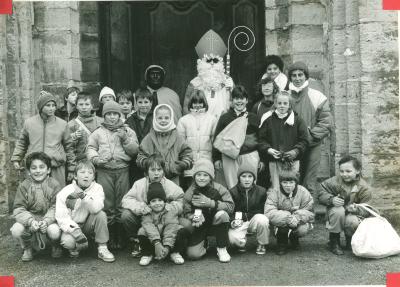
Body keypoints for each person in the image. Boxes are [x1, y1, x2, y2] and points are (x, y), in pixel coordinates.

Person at [87, 101, 139, 249]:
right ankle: (109, 236)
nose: (112, 117)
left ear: (119, 115)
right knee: (108, 203)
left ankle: (121, 236)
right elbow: (90, 148)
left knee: (122, 202)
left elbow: (135, 150)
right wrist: (96, 159)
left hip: (123, 170)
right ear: (104, 116)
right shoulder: (98, 132)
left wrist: (125, 139)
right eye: (108, 114)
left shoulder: (128, 131)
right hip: (105, 171)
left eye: (115, 114)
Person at [121, 154, 185, 258]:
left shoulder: (170, 185)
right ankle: (137, 241)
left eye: (159, 170)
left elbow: (181, 200)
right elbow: (126, 200)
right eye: (153, 170)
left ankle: (171, 247)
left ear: (163, 171)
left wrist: (171, 206)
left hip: (165, 220)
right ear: (146, 172)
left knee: (184, 224)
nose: (156, 173)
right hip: (146, 220)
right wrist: (140, 207)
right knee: (126, 215)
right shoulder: (139, 184)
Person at [11, 90, 76, 187]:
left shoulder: (62, 124)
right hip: (35, 168)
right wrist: (16, 159)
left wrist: (71, 168)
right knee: (34, 196)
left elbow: (69, 147)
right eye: (48, 105)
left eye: (53, 105)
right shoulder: (29, 123)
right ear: (41, 107)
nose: (51, 108)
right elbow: (22, 143)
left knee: (56, 196)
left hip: (56, 168)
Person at [55, 160, 115, 262]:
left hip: (87, 224)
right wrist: (75, 231)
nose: (86, 176)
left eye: (90, 173)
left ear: (93, 177)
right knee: (68, 242)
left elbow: (96, 208)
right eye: (82, 172)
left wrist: (84, 197)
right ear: (75, 176)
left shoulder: (98, 188)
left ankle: (102, 248)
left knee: (101, 214)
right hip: (73, 226)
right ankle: (75, 247)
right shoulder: (66, 191)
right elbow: (61, 216)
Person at [287, 61, 331, 197]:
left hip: (312, 145)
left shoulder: (317, 96)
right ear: (290, 78)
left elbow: (326, 122)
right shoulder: (284, 96)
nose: (297, 78)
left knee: (309, 180)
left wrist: (309, 138)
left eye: (300, 75)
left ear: (306, 76)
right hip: (291, 146)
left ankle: (308, 214)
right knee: (291, 179)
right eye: (294, 75)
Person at [10, 152, 62, 262]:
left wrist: (47, 221)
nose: (38, 170)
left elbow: (56, 207)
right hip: (31, 218)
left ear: (48, 170)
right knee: (16, 229)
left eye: (42, 167)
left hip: (48, 218)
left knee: (54, 231)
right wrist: (30, 221)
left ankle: (55, 245)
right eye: (34, 168)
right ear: (29, 171)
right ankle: (27, 248)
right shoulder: (24, 185)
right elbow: (19, 208)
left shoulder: (54, 184)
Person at [318, 155, 372, 255]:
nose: (344, 174)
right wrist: (331, 199)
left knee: (352, 221)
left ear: (357, 171)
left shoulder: (364, 187)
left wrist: (356, 209)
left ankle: (350, 240)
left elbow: (367, 208)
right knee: (338, 211)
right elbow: (321, 192)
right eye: (341, 171)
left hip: (352, 215)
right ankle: (334, 241)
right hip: (335, 213)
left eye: (348, 171)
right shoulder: (334, 181)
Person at [183, 159, 234, 263]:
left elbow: (230, 207)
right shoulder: (190, 192)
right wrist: (192, 216)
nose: (201, 178)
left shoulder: (219, 188)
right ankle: (204, 243)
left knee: (222, 214)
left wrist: (211, 203)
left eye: (205, 175)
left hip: (216, 222)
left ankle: (222, 248)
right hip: (200, 225)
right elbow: (185, 211)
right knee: (193, 255)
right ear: (194, 176)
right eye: (199, 175)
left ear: (211, 177)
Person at [258, 91, 309, 190]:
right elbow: (261, 140)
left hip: (292, 162)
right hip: (275, 162)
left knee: (291, 187)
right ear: (275, 103)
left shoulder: (298, 121)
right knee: (276, 187)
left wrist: (296, 151)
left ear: (289, 105)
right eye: (279, 103)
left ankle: (292, 205)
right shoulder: (268, 121)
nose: (282, 106)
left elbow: (304, 140)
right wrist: (269, 150)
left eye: (285, 103)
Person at [213, 85, 261, 189]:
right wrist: (216, 159)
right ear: (232, 100)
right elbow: (217, 139)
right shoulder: (225, 118)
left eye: (242, 98)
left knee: (250, 185)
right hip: (229, 157)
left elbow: (261, 139)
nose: (239, 101)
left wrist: (262, 159)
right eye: (236, 98)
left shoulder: (254, 118)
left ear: (247, 100)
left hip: (249, 155)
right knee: (232, 186)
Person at [136, 104, 193, 185]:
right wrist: (149, 164)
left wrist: (181, 165)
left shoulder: (178, 136)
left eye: (166, 118)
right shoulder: (149, 137)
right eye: (160, 118)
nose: (163, 120)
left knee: (173, 196)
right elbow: (140, 156)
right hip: (153, 179)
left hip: (173, 178)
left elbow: (187, 154)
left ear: (171, 118)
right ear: (155, 119)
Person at [183, 29, 234, 119]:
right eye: (208, 60)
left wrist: (231, 89)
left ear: (220, 62)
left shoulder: (228, 81)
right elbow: (186, 108)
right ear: (202, 62)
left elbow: (235, 104)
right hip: (200, 125)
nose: (212, 63)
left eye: (215, 60)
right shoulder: (194, 83)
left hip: (222, 124)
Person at [137, 182, 188, 266]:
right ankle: (147, 254)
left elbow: (171, 228)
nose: (157, 203)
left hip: (168, 235)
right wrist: (157, 243)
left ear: (164, 201)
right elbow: (149, 227)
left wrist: (167, 246)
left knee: (180, 230)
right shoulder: (146, 211)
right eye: (153, 201)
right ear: (149, 203)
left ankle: (174, 252)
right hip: (154, 238)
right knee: (142, 231)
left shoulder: (170, 209)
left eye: (160, 200)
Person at [264, 170, 314, 255]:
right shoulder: (274, 192)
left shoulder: (303, 191)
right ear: (280, 183)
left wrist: (297, 217)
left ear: (296, 183)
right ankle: (281, 243)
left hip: (297, 220)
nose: (288, 185)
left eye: (291, 182)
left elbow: (309, 210)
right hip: (280, 222)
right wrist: (287, 218)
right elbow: (269, 211)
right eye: (285, 182)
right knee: (282, 227)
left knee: (302, 229)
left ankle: (294, 238)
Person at [177, 89, 217, 190]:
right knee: (191, 190)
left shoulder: (212, 119)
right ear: (191, 103)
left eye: (200, 102)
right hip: (190, 163)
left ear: (204, 103)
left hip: (206, 161)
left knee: (206, 191)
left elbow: (215, 142)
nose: (197, 105)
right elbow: (180, 143)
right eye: (195, 102)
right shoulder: (183, 120)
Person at [228, 162, 269, 255]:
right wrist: (232, 221)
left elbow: (262, 210)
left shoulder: (261, 191)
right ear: (239, 178)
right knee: (232, 239)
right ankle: (240, 244)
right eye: (243, 176)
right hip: (239, 221)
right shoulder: (232, 192)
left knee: (262, 219)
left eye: (250, 176)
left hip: (254, 220)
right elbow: (229, 211)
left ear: (254, 178)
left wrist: (247, 216)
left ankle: (262, 244)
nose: (247, 179)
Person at [125, 88, 154, 184]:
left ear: (151, 103)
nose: (143, 105)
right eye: (140, 102)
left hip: (152, 158)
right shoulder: (130, 120)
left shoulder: (155, 118)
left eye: (146, 102)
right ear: (136, 103)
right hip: (135, 161)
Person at [68, 92, 103, 162]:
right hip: (81, 163)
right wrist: (73, 137)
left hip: (99, 160)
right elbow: (68, 147)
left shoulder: (101, 122)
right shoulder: (71, 125)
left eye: (87, 104)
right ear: (76, 106)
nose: (84, 107)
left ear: (92, 106)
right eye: (81, 104)